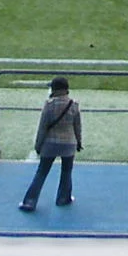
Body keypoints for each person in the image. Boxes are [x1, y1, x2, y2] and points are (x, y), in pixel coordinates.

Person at [19, 78, 82, 213]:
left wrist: (38, 144)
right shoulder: (74, 105)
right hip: (68, 143)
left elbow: (42, 127)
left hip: (50, 144)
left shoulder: (49, 105)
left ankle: (30, 201)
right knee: (66, 172)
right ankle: (63, 198)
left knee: (41, 172)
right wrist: (79, 141)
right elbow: (77, 126)